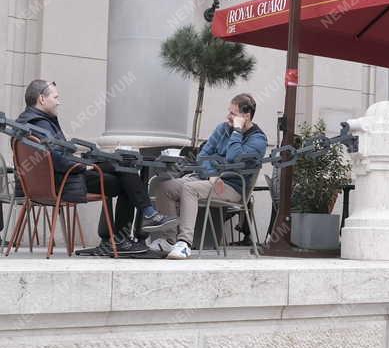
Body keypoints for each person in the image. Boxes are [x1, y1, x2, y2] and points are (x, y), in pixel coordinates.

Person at [14, 79, 175, 256]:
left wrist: (83, 161)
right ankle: (138, 223)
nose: (59, 101)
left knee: (122, 167)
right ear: (42, 99)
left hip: (50, 181)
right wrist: (85, 166)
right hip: (64, 180)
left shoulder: (26, 122)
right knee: (126, 172)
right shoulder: (41, 124)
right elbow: (58, 160)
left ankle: (125, 232)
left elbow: (54, 157)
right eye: (55, 97)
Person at [151, 94, 267, 259]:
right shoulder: (222, 129)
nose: (228, 116)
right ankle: (169, 239)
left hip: (233, 188)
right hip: (208, 180)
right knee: (164, 187)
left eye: (233, 114)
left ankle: (184, 243)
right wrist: (211, 175)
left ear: (246, 116)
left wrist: (237, 131)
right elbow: (203, 155)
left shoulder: (258, 139)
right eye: (229, 112)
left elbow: (235, 157)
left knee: (190, 188)